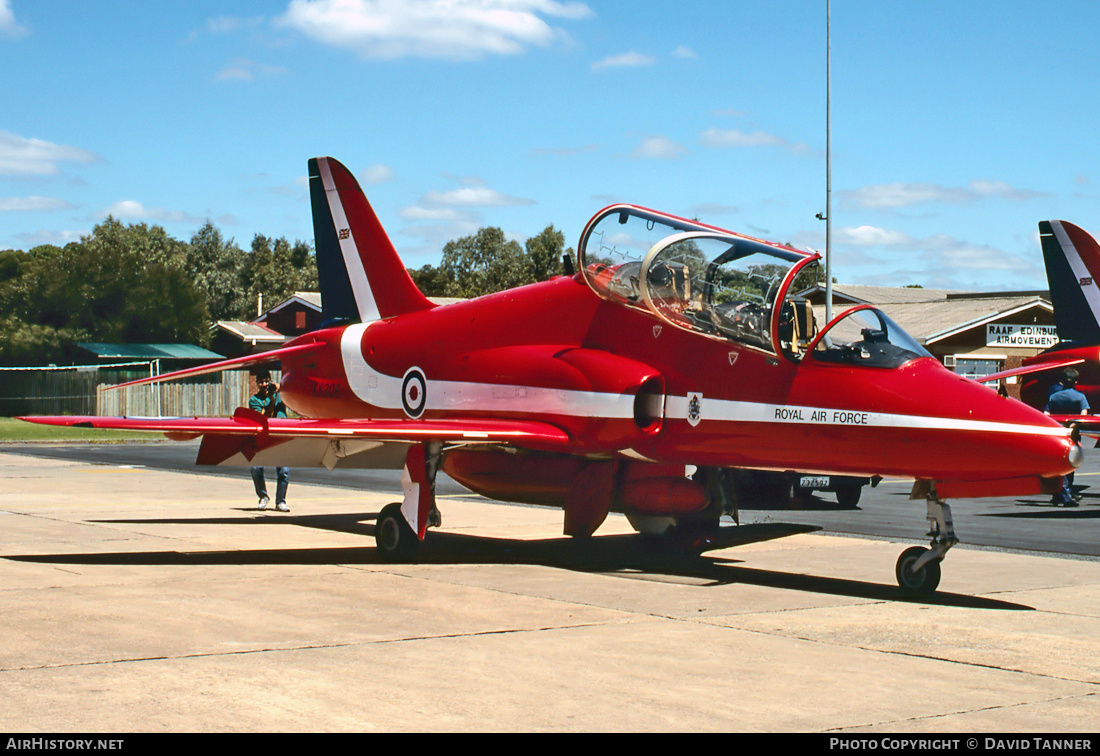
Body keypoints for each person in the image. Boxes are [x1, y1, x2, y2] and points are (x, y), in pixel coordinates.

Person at [1045, 368, 1089, 506]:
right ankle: (1066, 495)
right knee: (1071, 463)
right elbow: (1083, 416)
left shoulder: (1053, 397)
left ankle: (1059, 494)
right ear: (1075, 382)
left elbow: (1045, 415)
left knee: (1058, 463)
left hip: (1057, 433)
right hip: (1073, 434)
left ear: (1062, 381)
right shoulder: (1080, 397)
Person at [249, 370, 290, 512]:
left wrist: (281, 387)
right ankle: (263, 496)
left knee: (283, 470)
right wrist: (271, 400)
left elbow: (293, 391)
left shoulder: (280, 395)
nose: (264, 384)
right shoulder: (254, 400)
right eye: (261, 382)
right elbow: (263, 417)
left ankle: (281, 501)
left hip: (280, 434)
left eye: (266, 381)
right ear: (257, 384)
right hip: (264, 436)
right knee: (256, 468)